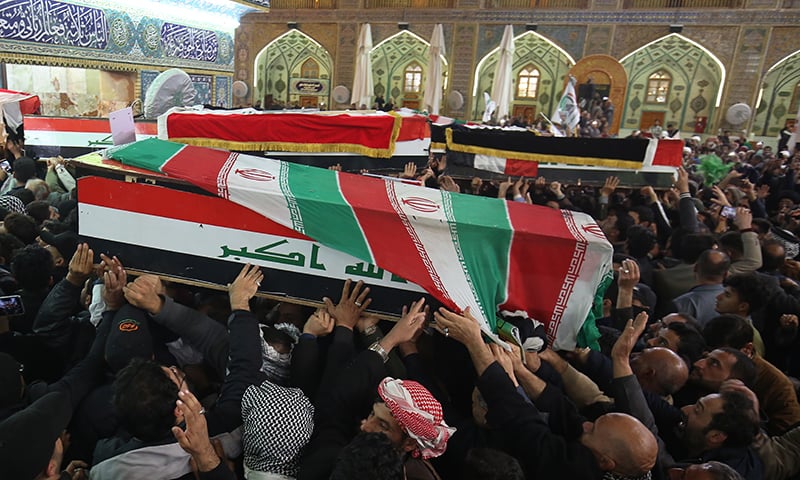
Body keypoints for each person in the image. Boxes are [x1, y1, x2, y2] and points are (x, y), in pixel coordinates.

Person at [434, 307, 658, 479]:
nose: (586, 424)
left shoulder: (571, 471)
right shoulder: (599, 448)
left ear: (606, 462)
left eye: (593, 429)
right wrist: (519, 368)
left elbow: (522, 421)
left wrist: (474, 342)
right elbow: (564, 411)